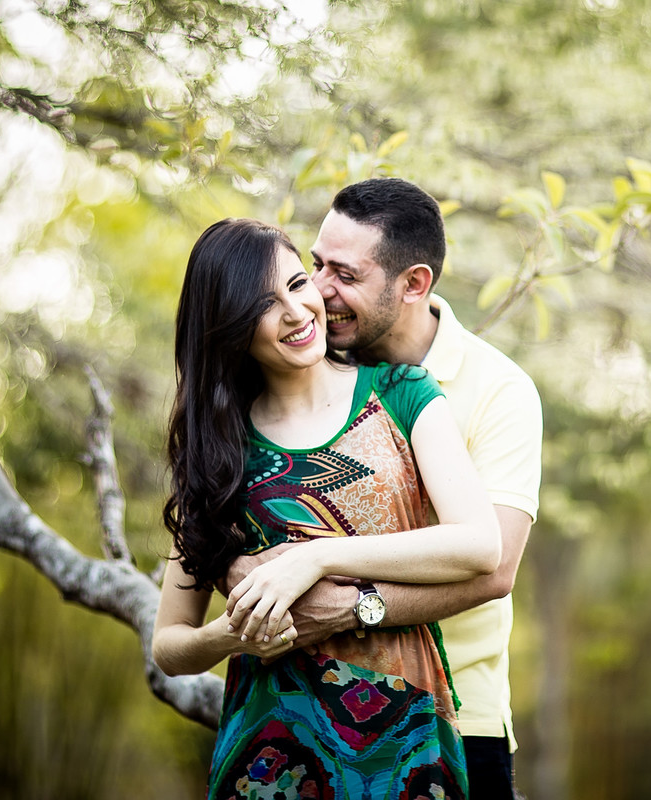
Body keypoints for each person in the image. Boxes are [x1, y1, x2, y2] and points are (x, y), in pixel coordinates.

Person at [152, 218, 501, 799]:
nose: (296, 311)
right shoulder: (220, 451)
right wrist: (234, 635)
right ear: (230, 328)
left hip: (404, 738)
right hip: (268, 756)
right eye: (264, 304)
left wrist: (313, 559)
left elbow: (479, 544)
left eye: (296, 283)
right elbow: (169, 643)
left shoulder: (401, 391)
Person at [224, 177, 543, 799]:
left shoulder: (499, 389)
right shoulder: (311, 372)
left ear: (413, 284)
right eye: (316, 264)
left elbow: (495, 567)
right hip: (307, 715)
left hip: (456, 718)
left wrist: (354, 607)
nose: (318, 289)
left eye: (344, 273)